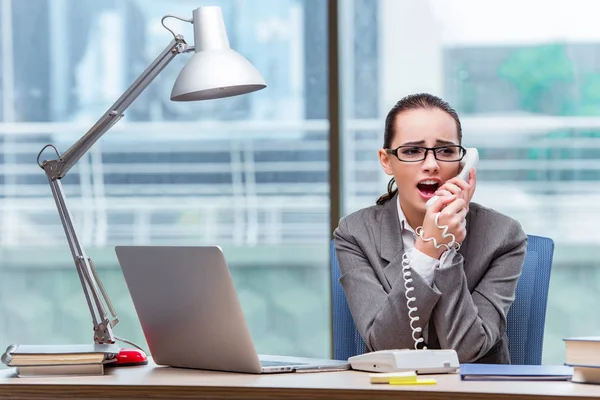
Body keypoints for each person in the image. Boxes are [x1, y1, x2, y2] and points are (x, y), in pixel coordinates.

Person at [333, 93, 527, 364]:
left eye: (446, 151)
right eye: (412, 151)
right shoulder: (355, 234)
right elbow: (386, 346)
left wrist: (447, 250)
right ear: (386, 160)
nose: (431, 165)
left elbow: (467, 350)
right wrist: (428, 249)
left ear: (464, 161)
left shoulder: (504, 236)